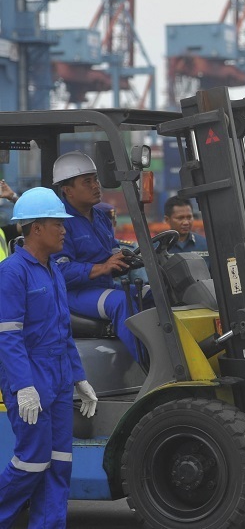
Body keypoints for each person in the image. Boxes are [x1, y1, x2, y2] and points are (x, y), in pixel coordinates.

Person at [0, 187, 98, 526]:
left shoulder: (53, 269)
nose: (64, 230)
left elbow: (63, 330)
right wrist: (23, 386)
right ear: (36, 228)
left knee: (59, 463)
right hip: (31, 375)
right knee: (32, 462)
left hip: (58, 376)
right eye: (57, 223)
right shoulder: (13, 272)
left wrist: (79, 377)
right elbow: (8, 336)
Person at [51, 151, 145, 362]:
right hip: (73, 294)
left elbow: (112, 250)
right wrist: (102, 267)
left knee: (153, 293)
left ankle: (172, 354)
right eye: (87, 182)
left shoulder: (100, 217)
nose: (96, 186)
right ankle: (150, 364)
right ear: (68, 190)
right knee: (121, 302)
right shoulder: (59, 222)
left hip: (103, 286)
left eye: (95, 179)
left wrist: (125, 259)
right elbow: (60, 271)